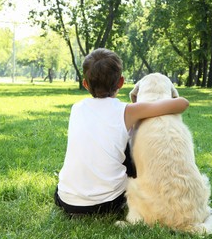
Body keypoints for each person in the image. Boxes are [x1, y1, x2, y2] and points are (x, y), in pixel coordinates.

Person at [54, 48, 189, 216]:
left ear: (85, 84)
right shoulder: (127, 111)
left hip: (66, 201)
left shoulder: (77, 108)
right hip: (108, 204)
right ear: (121, 82)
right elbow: (182, 104)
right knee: (130, 148)